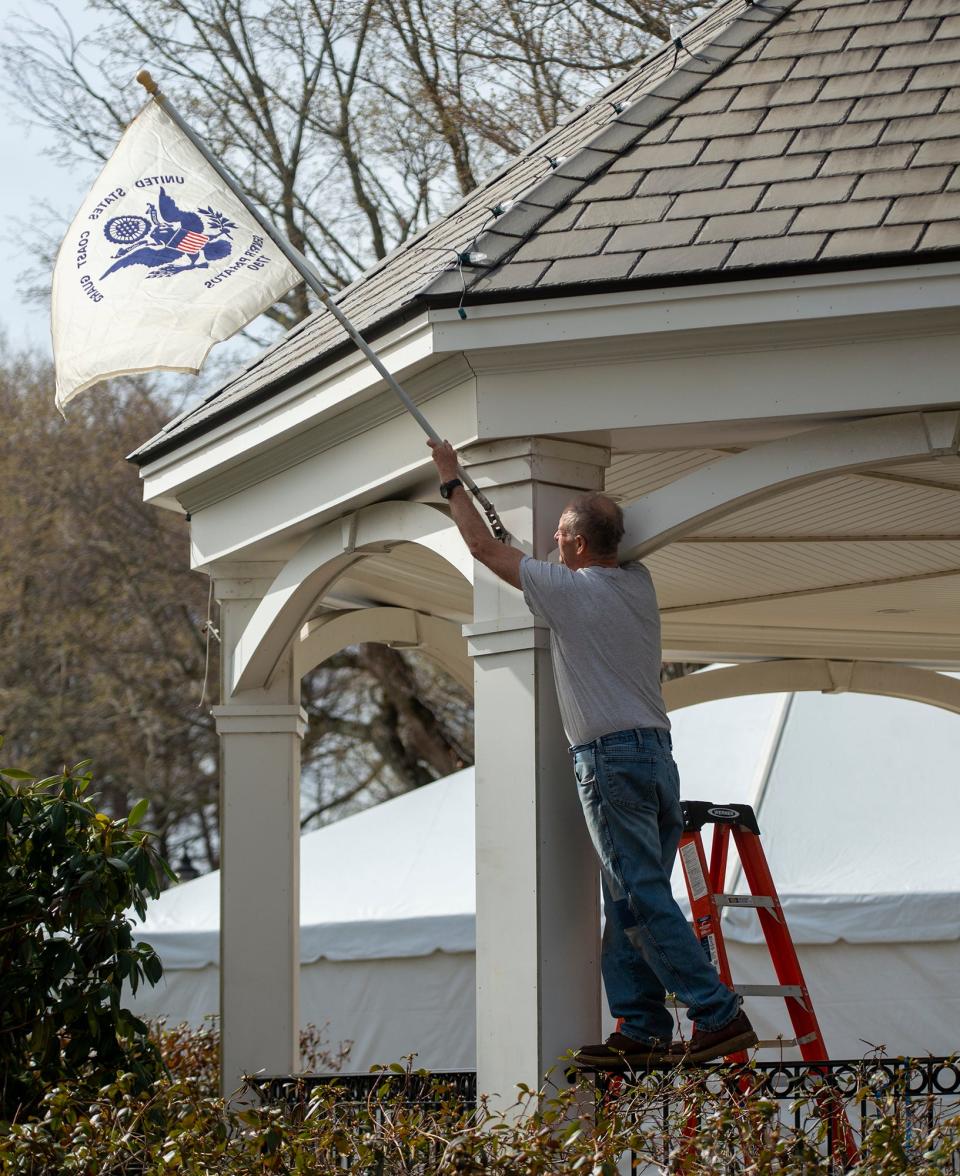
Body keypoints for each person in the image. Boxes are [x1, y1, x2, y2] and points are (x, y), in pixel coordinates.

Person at [428, 438, 757, 1069]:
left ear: (577, 544)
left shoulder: (566, 591)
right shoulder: (638, 583)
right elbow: (592, 546)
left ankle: (717, 1013)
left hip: (611, 760)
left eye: (559, 535)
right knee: (630, 897)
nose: (551, 543)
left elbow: (481, 547)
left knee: (641, 895)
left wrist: (451, 479)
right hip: (657, 757)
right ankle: (642, 1025)